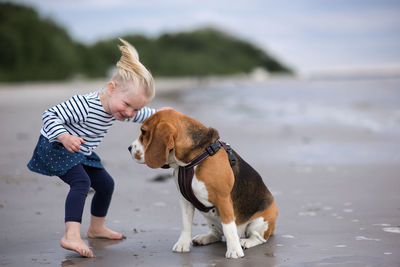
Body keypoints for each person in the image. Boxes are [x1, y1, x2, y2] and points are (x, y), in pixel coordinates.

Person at [27, 39, 168, 258]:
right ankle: (71, 235)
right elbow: (49, 115)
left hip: (81, 151)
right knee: (81, 182)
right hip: (56, 146)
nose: (130, 112)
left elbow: (140, 115)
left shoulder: (117, 108)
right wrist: (64, 136)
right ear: (112, 89)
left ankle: (96, 228)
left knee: (105, 184)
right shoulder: (85, 104)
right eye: (127, 105)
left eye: (135, 108)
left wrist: (160, 114)